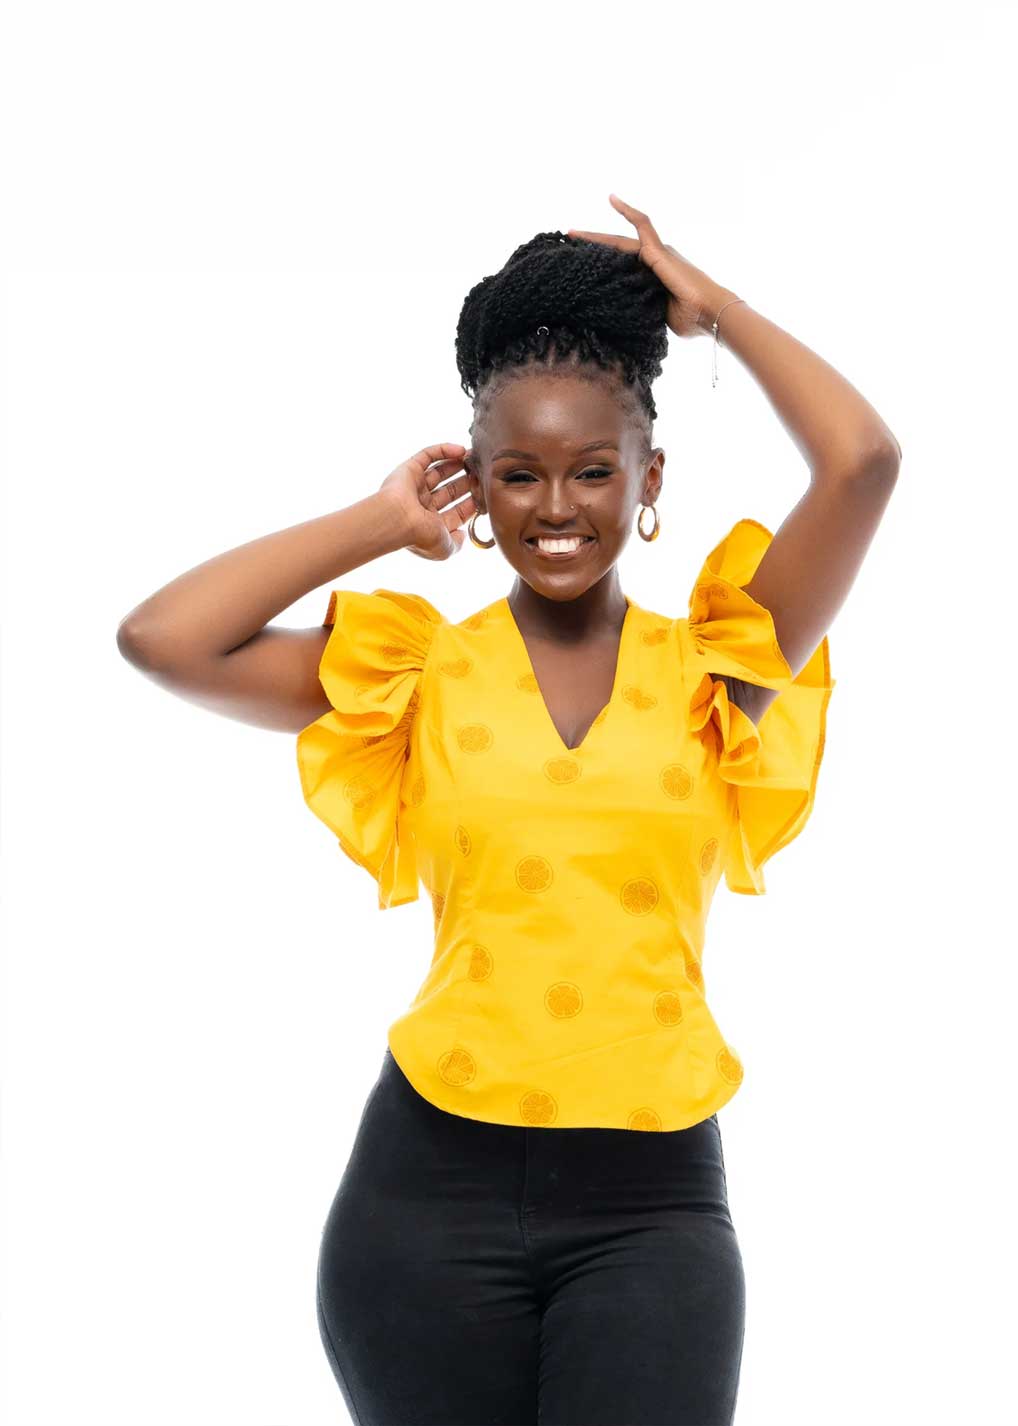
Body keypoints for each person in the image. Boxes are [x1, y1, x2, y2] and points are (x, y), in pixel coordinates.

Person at [116, 195, 901, 1426]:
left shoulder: (724, 666)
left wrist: (714, 312)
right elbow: (163, 639)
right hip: (422, 1207)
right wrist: (378, 522)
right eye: (518, 474)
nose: (556, 508)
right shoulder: (414, 673)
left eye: (593, 470)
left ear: (648, 477)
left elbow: (862, 460)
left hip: (652, 1209)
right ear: (476, 487)